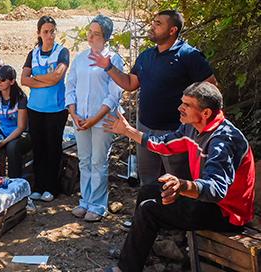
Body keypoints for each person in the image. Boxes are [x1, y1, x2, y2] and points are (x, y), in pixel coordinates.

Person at [103, 82, 255, 272]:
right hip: (205, 200)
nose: (179, 108)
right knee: (149, 190)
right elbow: (165, 144)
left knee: (149, 209)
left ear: (206, 113)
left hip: (226, 213)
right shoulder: (192, 127)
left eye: (187, 105)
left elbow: (216, 189)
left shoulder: (223, 141)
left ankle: (126, 268)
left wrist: (182, 185)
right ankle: (143, 252)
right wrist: (128, 131)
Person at [89, 10, 217, 185]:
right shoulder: (146, 56)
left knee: (177, 182)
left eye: (158, 24)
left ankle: (176, 212)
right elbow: (130, 83)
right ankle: (149, 211)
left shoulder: (189, 56)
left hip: (175, 133)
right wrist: (108, 66)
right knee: (148, 181)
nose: (152, 26)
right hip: (144, 130)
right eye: (153, 22)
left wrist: (195, 120)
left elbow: (211, 87)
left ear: (172, 30)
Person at [65, 15, 123, 222]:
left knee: (99, 161)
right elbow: (70, 86)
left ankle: (98, 205)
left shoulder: (113, 59)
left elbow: (114, 94)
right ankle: (85, 201)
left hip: (103, 120)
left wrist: (95, 118)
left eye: (96, 33)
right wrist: (73, 113)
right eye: (89, 32)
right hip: (80, 119)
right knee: (85, 161)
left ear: (106, 37)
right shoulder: (80, 59)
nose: (90, 36)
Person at [21, 15, 70, 202]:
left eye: (52, 31)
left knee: (53, 148)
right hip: (35, 109)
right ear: (39, 33)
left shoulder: (62, 52)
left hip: (56, 110)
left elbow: (57, 77)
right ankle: (39, 186)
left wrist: (36, 80)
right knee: (38, 148)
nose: (49, 35)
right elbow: (23, 79)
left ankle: (51, 188)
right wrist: (45, 80)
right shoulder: (32, 54)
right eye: (45, 32)